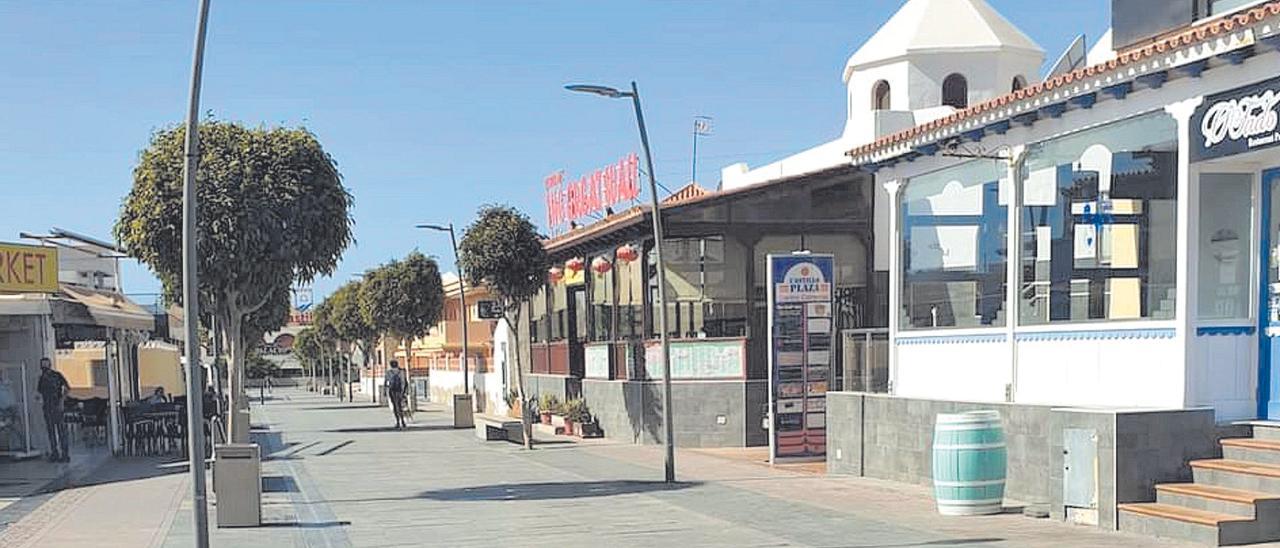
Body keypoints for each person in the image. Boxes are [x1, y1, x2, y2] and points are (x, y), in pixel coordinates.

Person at [36, 357, 70, 463]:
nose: (44, 367)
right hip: (47, 407)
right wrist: (39, 399)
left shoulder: (57, 375)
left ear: (49, 365)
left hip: (57, 406)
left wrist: (62, 401)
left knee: (61, 431)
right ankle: (54, 453)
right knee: (51, 431)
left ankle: (65, 454)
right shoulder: (41, 378)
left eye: (46, 365)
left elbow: (67, 388)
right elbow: (39, 392)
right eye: (43, 365)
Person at [384, 360, 407, 429]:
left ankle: (397, 421)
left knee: (395, 406)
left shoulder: (389, 372)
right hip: (400, 391)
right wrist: (403, 392)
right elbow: (404, 382)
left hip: (392, 391)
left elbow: (386, 382)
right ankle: (403, 420)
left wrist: (385, 392)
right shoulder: (401, 372)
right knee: (400, 406)